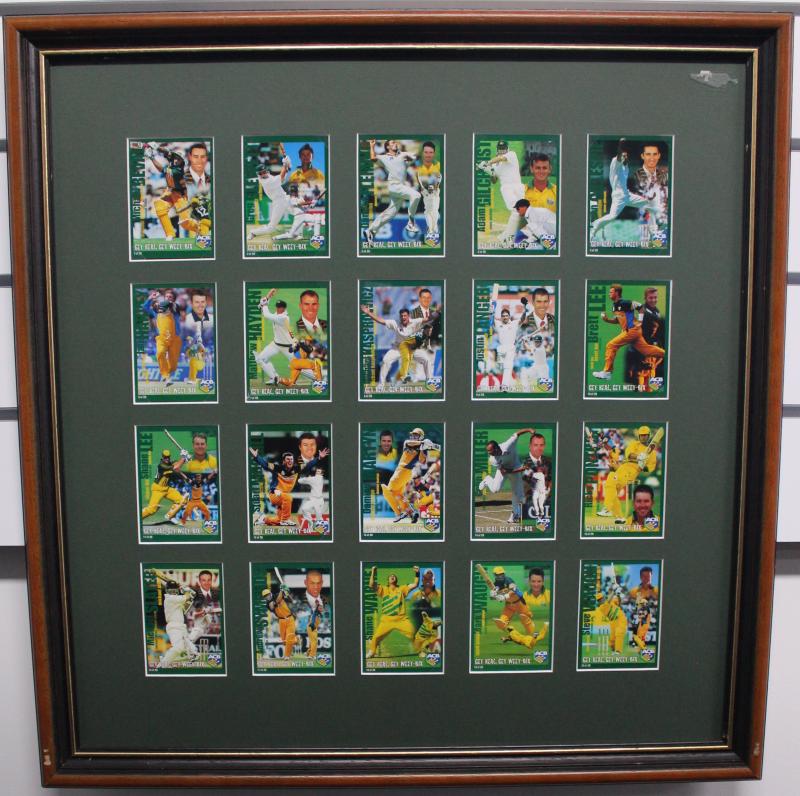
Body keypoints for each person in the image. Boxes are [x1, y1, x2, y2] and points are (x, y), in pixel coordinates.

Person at [589, 138, 660, 241]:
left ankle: (654, 231)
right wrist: (621, 145)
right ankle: (593, 229)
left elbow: (624, 162)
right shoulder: (615, 162)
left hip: (627, 195)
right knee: (612, 216)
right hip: (619, 197)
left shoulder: (625, 167)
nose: (626, 157)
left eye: (626, 156)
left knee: (649, 204)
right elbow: (619, 154)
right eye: (624, 156)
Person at [591, 284, 665, 381]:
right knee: (646, 350)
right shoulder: (614, 306)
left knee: (611, 345)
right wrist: (607, 320)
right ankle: (666, 354)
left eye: (611, 292)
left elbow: (640, 307)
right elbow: (618, 320)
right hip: (633, 332)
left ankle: (607, 372)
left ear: (617, 293)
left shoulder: (625, 302)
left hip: (632, 330)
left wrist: (640, 321)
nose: (609, 294)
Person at [253, 288, 319, 386]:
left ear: (283, 309)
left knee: (297, 366)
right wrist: (267, 297)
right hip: (275, 344)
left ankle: (317, 378)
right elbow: (261, 308)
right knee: (260, 359)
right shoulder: (277, 314)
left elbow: (266, 314)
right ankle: (274, 377)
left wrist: (264, 303)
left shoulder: (283, 317)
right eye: (277, 307)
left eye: (280, 307)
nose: (277, 309)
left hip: (288, 347)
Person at [360, 304, 438, 386]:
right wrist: (368, 312)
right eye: (401, 316)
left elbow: (428, 318)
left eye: (405, 316)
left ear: (408, 316)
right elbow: (381, 321)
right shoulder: (395, 323)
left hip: (413, 349)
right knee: (385, 361)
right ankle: (381, 385)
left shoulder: (415, 322)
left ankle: (430, 382)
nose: (403, 317)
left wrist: (438, 311)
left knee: (426, 360)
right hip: (398, 349)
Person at [249, 447, 328, 526]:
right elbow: (265, 464)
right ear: (283, 461)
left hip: (283, 497)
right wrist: (256, 457)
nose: (290, 461)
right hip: (274, 494)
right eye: (288, 459)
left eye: (291, 459)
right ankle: (285, 520)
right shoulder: (276, 468)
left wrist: (319, 458)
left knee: (278, 520)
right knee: (288, 498)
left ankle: (263, 520)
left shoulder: (297, 469)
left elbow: (308, 465)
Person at [363, 139, 422, 243]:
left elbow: (416, 156)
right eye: (392, 143)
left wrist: (413, 157)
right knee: (416, 195)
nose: (395, 143)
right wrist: (372, 146)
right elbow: (372, 158)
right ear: (387, 147)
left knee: (390, 213)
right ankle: (411, 223)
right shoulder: (384, 157)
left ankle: (370, 230)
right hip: (394, 186)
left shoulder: (403, 154)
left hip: (400, 187)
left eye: (395, 142)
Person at [597, 426, 658, 524]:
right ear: (639, 436)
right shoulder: (634, 444)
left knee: (611, 478)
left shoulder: (653, 453)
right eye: (641, 435)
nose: (643, 437)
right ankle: (620, 517)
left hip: (632, 472)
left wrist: (642, 465)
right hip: (623, 468)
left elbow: (650, 468)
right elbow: (629, 454)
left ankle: (607, 508)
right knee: (612, 490)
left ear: (649, 436)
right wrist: (639, 457)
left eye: (645, 435)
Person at [380, 428, 440, 523]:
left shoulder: (422, 447)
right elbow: (410, 443)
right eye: (412, 434)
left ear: (420, 437)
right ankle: (412, 513)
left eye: (415, 435)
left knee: (387, 491)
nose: (413, 436)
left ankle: (398, 513)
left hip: (402, 472)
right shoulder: (408, 442)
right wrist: (423, 443)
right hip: (406, 473)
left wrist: (423, 449)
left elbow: (422, 461)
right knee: (398, 494)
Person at [478, 428, 536, 524]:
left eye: (490, 451)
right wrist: (521, 469)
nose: (489, 453)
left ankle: (514, 516)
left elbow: (517, 434)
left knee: (518, 494)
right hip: (504, 470)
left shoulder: (508, 444)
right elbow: (505, 471)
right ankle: (487, 480)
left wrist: (529, 430)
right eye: (488, 451)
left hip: (515, 466)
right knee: (495, 489)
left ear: (496, 448)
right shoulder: (492, 459)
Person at [476, 140, 525, 246]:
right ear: (497, 149)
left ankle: (511, 236)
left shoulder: (511, 154)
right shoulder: (495, 164)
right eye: (500, 149)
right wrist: (488, 171)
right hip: (507, 188)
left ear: (507, 148)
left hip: (518, 186)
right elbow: (494, 180)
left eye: (504, 149)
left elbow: (501, 158)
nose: (502, 151)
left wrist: (487, 163)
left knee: (526, 211)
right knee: (516, 210)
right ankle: (507, 239)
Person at [365, 565, 420, 659]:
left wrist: (417, 573)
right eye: (391, 576)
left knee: (414, 634)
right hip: (386, 620)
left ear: (396, 580)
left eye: (394, 576)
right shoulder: (383, 589)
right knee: (376, 637)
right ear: (388, 580)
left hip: (401, 620)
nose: (392, 577)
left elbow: (415, 584)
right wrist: (373, 571)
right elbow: (371, 585)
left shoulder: (402, 588)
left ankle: (422, 650)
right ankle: (372, 652)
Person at [248, 150, 296, 238]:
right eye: (261, 173)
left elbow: (283, 177)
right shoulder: (266, 182)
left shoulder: (269, 176)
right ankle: (253, 232)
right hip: (279, 202)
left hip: (285, 198)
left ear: (267, 171)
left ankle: (301, 231)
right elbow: (281, 177)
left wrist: (287, 166)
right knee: (271, 228)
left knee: (298, 213)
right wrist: (285, 164)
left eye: (264, 171)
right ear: (258, 175)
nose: (263, 174)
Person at [626, 286, 665, 390]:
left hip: (652, 350)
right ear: (645, 298)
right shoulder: (644, 311)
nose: (653, 300)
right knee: (641, 384)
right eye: (650, 298)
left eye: (655, 297)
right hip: (642, 350)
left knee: (651, 385)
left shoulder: (656, 310)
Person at [491, 298, 531, 390]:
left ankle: (505, 386)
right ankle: (510, 382)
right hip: (501, 348)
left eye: (506, 315)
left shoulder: (514, 323)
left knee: (508, 366)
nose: (505, 317)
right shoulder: (498, 323)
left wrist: (525, 309)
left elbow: (522, 318)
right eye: (503, 316)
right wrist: (491, 311)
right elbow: (491, 319)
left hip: (510, 348)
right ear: (501, 317)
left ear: (509, 316)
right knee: (500, 367)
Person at [157, 577, 197, 668]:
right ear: (167, 591)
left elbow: (186, 607)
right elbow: (186, 597)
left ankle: (164, 662)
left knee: (184, 648)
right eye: (171, 591)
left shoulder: (176, 600)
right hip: (174, 626)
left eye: (174, 590)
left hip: (181, 626)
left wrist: (190, 595)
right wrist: (187, 590)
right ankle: (163, 665)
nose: (173, 592)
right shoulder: (169, 598)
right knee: (179, 648)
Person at [632, 143, 669, 241]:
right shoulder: (640, 174)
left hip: (661, 211)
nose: (651, 158)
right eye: (648, 154)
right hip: (647, 210)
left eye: (654, 154)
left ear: (658, 156)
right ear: (643, 156)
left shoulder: (664, 173)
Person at [141, 449, 188, 522]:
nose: (167, 458)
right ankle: (138, 517)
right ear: (162, 457)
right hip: (158, 489)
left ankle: (170, 516)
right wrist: (183, 457)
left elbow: (177, 464)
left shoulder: (170, 463)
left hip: (167, 489)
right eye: (165, 457)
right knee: (151, 510)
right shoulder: (161, 465)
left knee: (182, 500)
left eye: (168, 457)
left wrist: (185, 459)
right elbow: (175, 467)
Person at [409, 287, 442, 381]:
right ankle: (418, 377)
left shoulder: (433, 310)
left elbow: (436, 321)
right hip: (420, 338)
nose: (426, 299)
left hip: (432, 339)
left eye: (428, 297)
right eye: (424, 297)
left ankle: (428, 377)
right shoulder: (415, 310)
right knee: (420, 358)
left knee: (431, 359)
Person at [262, 579, 298, 656]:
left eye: (267, 595)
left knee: (289, 637)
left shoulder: (277, 594)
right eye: (265, 596)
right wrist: (281, 591)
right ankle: (295, 641)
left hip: (290, 618)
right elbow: (275, 603)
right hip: (281, 621)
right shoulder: (268, 603)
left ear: (270, 593)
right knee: (284, 640)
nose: (266, 597)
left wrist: (286, 590)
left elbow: (290, 599)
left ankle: (287, 655)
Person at [416, 140, 441, 244]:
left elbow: (438, 182)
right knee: (428, 212)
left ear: (434, 153)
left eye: (431, 152)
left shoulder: (439, 166)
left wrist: (435, 184)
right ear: (422, 153)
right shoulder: (418, 167)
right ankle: (430, 235)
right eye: (426, 152)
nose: (428, 155)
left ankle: (433, 235)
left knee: (434, 212)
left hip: (436, 196)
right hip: (424, 196)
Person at [302, 569, 327, 658]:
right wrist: (312, 623)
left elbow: (319, 610)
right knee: (313, 639)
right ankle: (310, 654)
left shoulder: (318, 606)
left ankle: (310, 654)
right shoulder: (316, 607)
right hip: (312, 622)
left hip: (313, 622)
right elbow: (315, 613)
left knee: (313, 639)